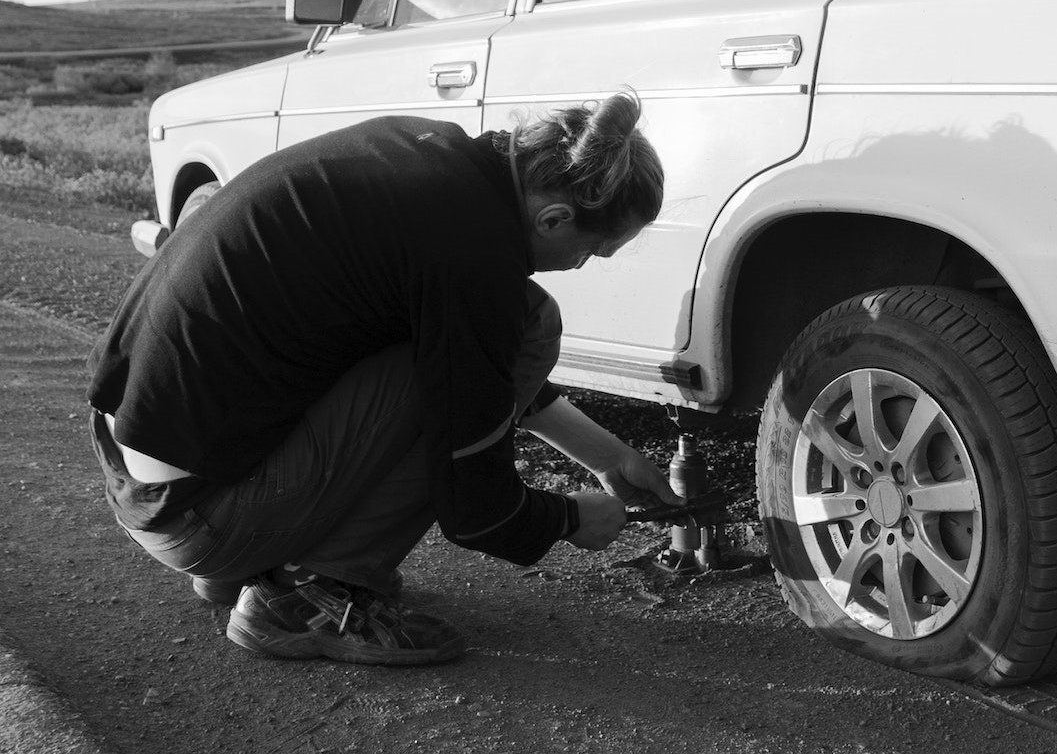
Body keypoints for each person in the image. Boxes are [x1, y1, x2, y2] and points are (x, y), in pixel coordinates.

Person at [86, 90, 680, 666]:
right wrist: (570, 519)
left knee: (497, 333)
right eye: (591, 252)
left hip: (148, 473)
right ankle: (308, 596)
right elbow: (477, 506)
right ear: (554, 217)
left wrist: (606, 456)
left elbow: (474, 365)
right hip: (200, 520)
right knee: (527, 323)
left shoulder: (429, 158)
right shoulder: (473, 253)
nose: (578, 266)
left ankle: (264, 559)